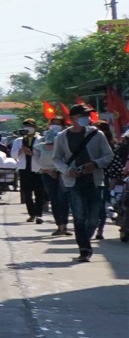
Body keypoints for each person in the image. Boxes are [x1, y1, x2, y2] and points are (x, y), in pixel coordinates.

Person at [49, 104, 112, 262]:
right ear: (72, 118)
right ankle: (84, 249)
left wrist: (95, 164)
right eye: (82, 115)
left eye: (87, 115)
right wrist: (67, 169)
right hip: (73, 181)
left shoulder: (97, 135)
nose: (86, 118)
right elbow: (56, 158)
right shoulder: (62, 137)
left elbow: (108, 155)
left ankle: (86, 238)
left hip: (94, 180)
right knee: (79, 216)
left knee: (93, 217)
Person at [37, 114, 71, 235]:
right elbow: (37, 159)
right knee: (54, 199)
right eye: (53, 123)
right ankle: (59, 226)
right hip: (47, 173)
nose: (55, 126)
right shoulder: (43, 139)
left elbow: (69, 157)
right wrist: (47, 171)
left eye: (58, 123)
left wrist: (59, 170)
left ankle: (65, 225)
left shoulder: (67, 138)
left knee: (64, 199)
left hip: (63, 173)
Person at [11, 121, 46, 223]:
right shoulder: (19, 140)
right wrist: (21, 150)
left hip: (37, 168)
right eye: (26, 126)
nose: (28, 128)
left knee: (39, 192)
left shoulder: (41, 139)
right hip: (24, 168)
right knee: (27, 193)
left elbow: (44, 155)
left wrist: (32, 154)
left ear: (35, 127)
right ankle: (31, 214)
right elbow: (13, 155)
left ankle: (39, 214)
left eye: (30, 126)